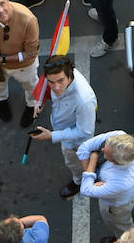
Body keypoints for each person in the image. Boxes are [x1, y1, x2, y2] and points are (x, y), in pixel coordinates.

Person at [30, 54, 98, 198]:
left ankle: (78, 181)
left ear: (70, 74)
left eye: (60, 81)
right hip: (63, 128)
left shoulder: (84, 101)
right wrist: (42, 101)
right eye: (51, 82)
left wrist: (52, 135)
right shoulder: (58, 79)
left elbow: (84, 132)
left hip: (75, 143)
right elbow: (48, 89)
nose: (56, 87)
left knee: (74, 164)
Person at [77, 131, 134, 238]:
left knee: (123, 228)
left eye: (106, 153)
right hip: (129, 195)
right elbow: (83, 148)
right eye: (105, 146)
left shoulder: (121, 182)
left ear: (117, 161)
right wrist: (95, 181)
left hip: (117, 207)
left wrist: (93, 160)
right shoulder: (119, 136)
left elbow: (86, 189)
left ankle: (123, 238)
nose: (101, 150)